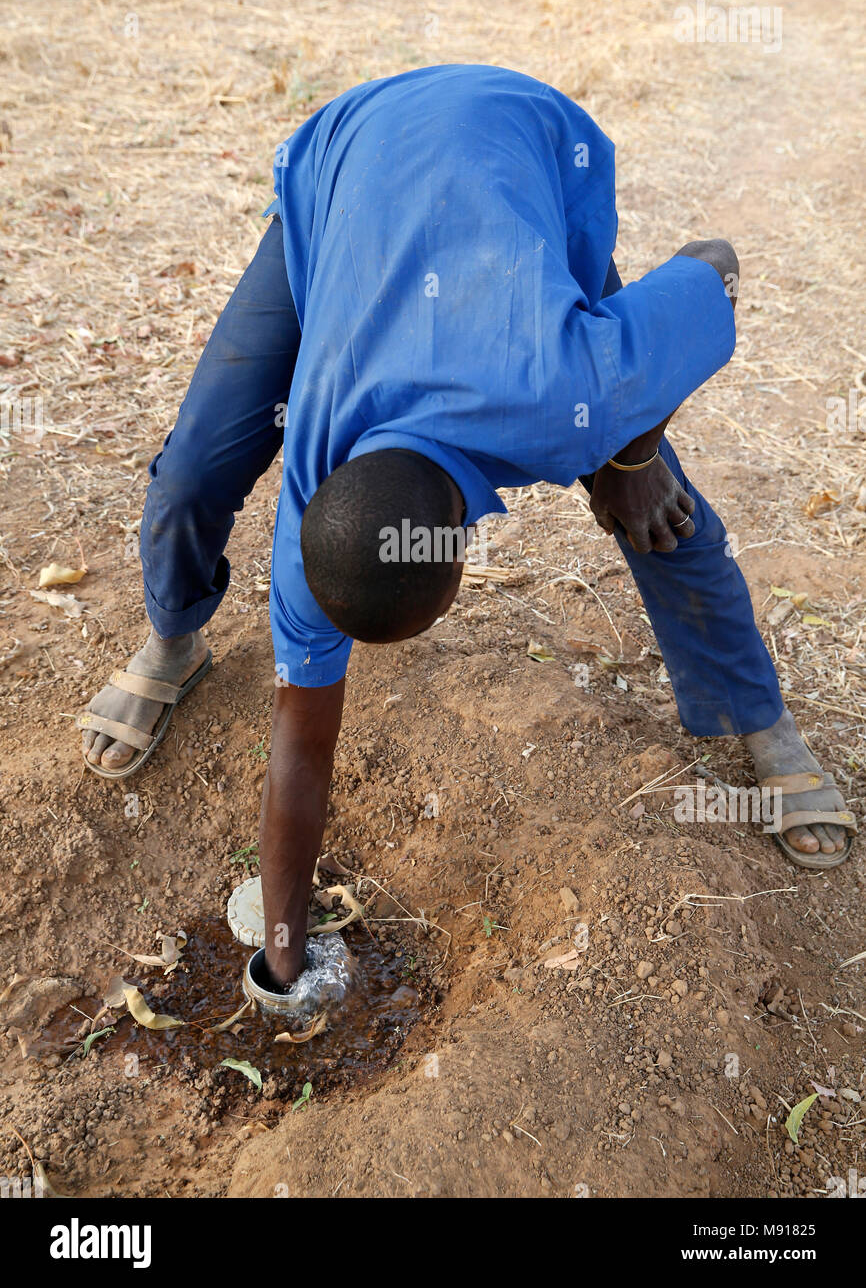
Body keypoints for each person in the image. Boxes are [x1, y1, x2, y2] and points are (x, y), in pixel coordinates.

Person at [78, 65, 857, 993]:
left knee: (662, 515)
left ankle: (760, 721)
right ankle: (172, 637)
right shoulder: (314, 508)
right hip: (353, 161)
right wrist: (281, 957)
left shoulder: (569, 385)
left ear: (457, 554)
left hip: (517, 145)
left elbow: (716, 263)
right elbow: (302, 737)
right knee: (192, 473)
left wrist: (634, 455)